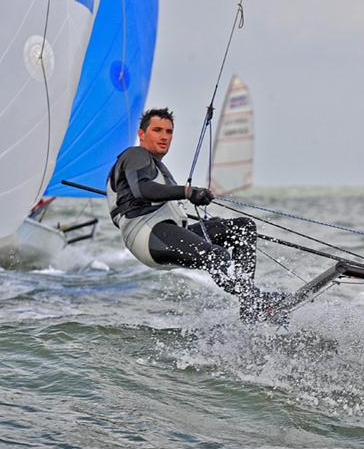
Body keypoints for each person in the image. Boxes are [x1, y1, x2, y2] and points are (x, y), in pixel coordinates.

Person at [106, 107, 284, 322]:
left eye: (169, 132)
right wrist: (187, 192)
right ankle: (253, 299)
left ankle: (249, 304)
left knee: (241, 227)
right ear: (142, 134)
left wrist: (212, 224)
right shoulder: (135, 155)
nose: (164, 136)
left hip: (167, 232)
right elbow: (143, 190)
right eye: (157, 130)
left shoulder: (156, 167)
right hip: (148, 234)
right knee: (216, 255)